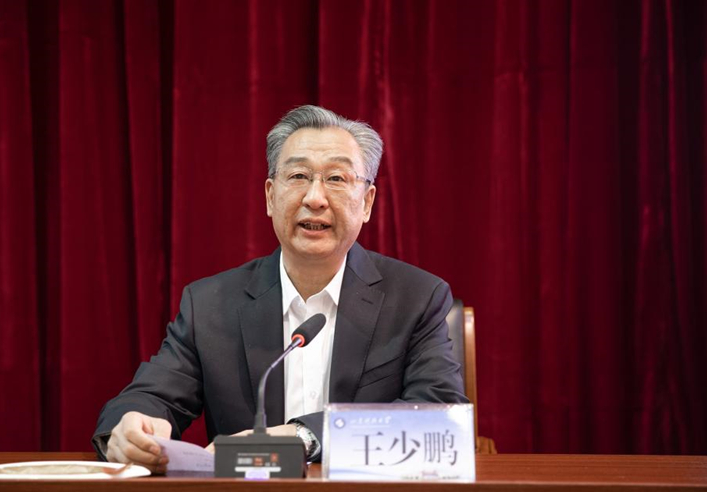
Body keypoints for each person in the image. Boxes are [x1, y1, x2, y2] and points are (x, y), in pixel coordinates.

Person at [93, 105, 467, 472]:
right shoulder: (210, 304)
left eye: (336, 179)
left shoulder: (416, 298)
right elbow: (152, 395)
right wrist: (133, 426)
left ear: (367, 202)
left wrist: (303, 436)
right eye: (299, 176)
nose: (315, 198)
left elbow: (438, 415)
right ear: (271, 196)